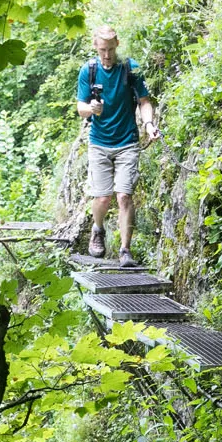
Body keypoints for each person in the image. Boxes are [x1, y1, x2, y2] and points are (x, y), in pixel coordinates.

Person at [76, 26, 159, 267]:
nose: (107, 55)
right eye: (102, 50)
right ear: (95, 46)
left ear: (117, 45)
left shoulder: (130, 67)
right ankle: (98, 229)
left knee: (124, 196)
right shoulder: (88, 70)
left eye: (111, 50)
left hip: (127, 142)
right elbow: (80, 107)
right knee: (102, 199)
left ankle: (125, 250)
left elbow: (144, 101)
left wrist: (149, 124)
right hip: (99, 143)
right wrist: (91, 109)